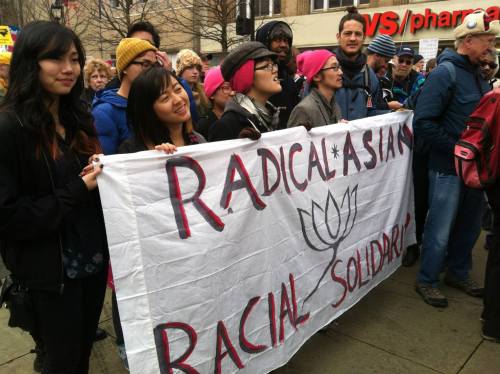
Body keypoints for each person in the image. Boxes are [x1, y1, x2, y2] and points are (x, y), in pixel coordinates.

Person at [0, 21, 107, 372]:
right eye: (55, 58)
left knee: (79, 358)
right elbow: (10, 218)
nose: (69, 69)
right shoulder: (9, 128)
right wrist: (78, 188)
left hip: (92, 265)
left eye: (75, 58)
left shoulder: (79, 117)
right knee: (60, 363)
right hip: (49, 277)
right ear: (30, 62)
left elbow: (101, 179)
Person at [414, 10, 499, 307]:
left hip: (475, 171)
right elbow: (422, 122)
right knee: (439, 227)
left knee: (469, 226)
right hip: (448, 169)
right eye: (487, 40)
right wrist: (457, 149)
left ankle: (458, 272)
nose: (491, 45)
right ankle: (427, 279)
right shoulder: (444, 74)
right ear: (469, 40)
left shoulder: (478, 74)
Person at [92, 38, 157, 155]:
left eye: (155, 65)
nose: (153, 71)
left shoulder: (153, 103)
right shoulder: (104, 112)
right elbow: (108, 163)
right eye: (145, 64)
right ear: (125, 67)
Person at [208, 41, 281, 142]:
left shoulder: (272, 117)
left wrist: (302, 135)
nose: (275, 70)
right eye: (267, 66)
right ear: (246, 76)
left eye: (274, 65)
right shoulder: (225, 127)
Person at [121, 66, 205, 154]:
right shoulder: (130, 151)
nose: (178, 100)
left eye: (178, 89)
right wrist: (157, 160)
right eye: (165, 98)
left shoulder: (198, 140)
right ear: (148, 110)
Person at [333, 6, 387, 120]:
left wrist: (395, 114)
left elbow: (373, 114)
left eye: (357, 34)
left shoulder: (370, 77)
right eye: (347, 33)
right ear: (338, 37)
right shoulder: (324, 70)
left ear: (364, 37)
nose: (353, 38)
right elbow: (310, 113)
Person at [256, 20, 301, 129]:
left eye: (286, 41)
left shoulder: (289, 81)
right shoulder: (255, 79)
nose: (283, 45)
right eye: (277, 40)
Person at [288, 50, 343, 128]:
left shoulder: (335, 106)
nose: (340, 72)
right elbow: (293, 139)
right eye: (334, 67)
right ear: (316, 76)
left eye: (339, 67)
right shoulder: (303, 110)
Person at [196, 66, 234, 139]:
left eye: (234, 87)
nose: (232, 93)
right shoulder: (204, 125)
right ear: (212, 95)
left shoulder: (242, 117)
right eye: (226, 88)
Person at [365, 34, 401, 110]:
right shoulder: (362, 76)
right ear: (377, 56)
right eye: (386, 61)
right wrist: (388, 106)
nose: (386, 66)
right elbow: (365, 108)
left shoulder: (372, 77)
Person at [176, 49, 210, 124]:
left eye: (197, 68)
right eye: (190, 67)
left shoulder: (204, 89)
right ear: (181, 69)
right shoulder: (175, 93)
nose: (195, 72)